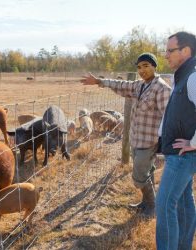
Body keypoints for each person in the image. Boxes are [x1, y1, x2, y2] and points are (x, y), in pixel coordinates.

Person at [81, 52, 171, 217]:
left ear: (154, 66)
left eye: (146, 66)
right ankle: (147, 202)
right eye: (139, 67)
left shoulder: (162, 89)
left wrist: (165, 142)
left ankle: (153, 207)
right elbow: (121, 85)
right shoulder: (140, 85)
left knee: (139, 176)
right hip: (136, 138)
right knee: (147, 171)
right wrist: (100, 81)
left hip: (149, 141)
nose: (142, 70)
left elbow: (169, 117)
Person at [156, 31, 196, 250]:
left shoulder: (193, 76)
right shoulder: (182, 76)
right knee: (183, 202)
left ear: (186, 51)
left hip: (184, 155)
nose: (166, 55)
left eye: (170, 51)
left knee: (164, 205)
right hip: (181, 154)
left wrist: (193, 143)